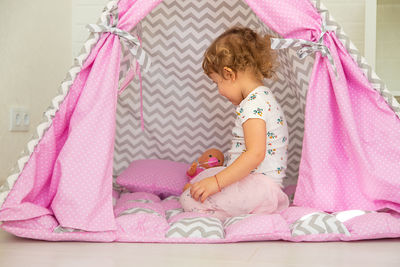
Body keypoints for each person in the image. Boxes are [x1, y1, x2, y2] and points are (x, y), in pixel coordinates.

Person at [179, 26, 290, 222]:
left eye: (217, 82)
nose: (219, 90)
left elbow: (255, 155)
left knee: (189, 199)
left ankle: (219, 212)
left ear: (229, 74)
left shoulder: (253, 105)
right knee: (202, 182)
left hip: (260, 188)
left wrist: (216, 183)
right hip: (258, 185)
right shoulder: (262, 98)